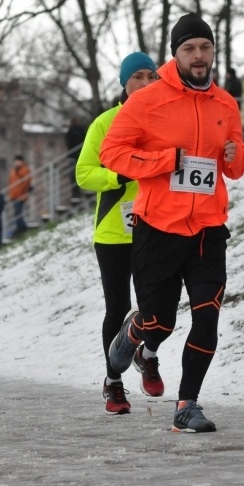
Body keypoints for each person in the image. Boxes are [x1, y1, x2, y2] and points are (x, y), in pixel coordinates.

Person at [100, 13, 244, 433]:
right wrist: (166, 161)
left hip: (207, 229)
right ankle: (135, 333)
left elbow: (233, 164)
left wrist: (236, 159)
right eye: (189, 49)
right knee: (159, 324)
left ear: (213, 52)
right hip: (158, 229)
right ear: (175, 54)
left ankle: (187, 405)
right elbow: (113, 154)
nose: (198, 57)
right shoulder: (147, 101)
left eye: (205, 47)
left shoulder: (226, 103)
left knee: (207, 317)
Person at [76, 51, 158, 415]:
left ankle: (147, 353)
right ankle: (114, 383)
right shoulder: (105, 123)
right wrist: (117, 176)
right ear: (124, 82)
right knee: (118, 308)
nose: (144, 83)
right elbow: (83, 174)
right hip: (113, 231)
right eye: (137, 76)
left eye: (149, 76)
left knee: (156, 306)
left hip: (154, 224)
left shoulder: (162, 120)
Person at [7, 155, 32, 237]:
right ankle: (20, 227)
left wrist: (22, 192)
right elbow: (11, 183)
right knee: (17, 212)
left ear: (21, 162)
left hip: (21, 195)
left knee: (18, 212)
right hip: (14, 195)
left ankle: (21, 228)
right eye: (15, 161)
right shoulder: (13, 171)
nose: (16, 163)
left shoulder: (24, 170)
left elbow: (27, 182)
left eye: (18, 161)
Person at [65, 116, 87, 202]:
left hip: (73, 156)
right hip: (80, 155)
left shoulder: (71, 131)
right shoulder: (81, 130)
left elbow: (68, 142)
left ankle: (76, 193)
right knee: (79, 174)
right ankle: (80, 190)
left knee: (74, 175)